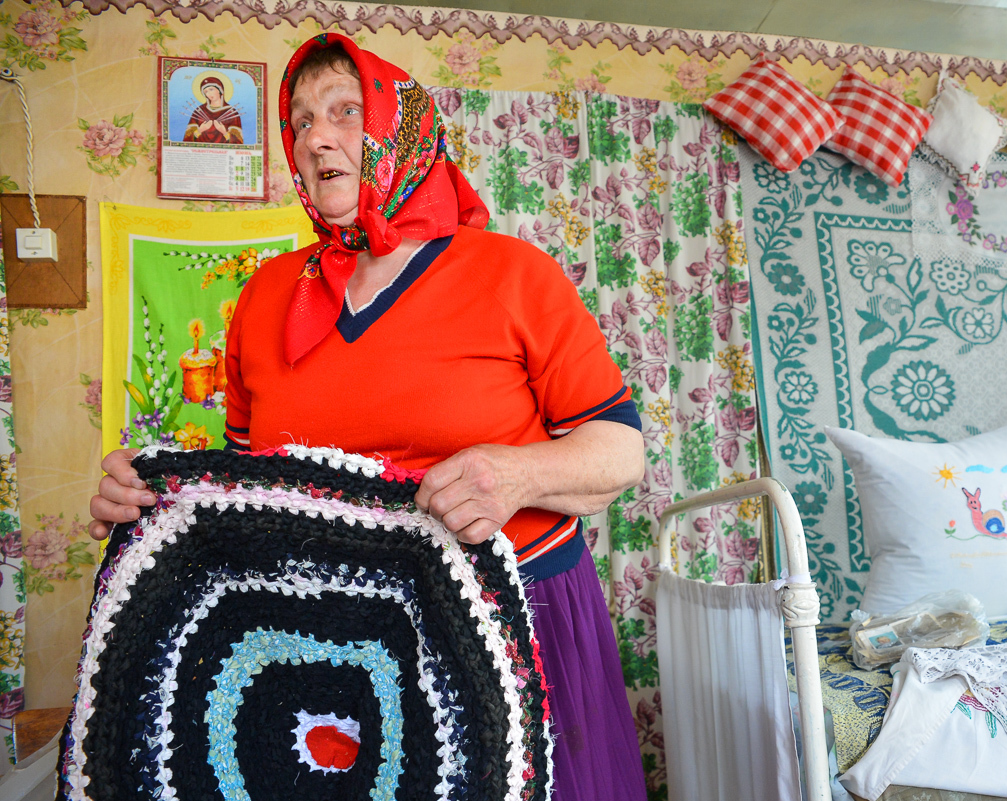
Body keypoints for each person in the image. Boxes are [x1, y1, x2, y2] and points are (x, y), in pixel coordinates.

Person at [89, 33, 649, 801]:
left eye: (345, 111)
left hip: (520, 618)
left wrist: (516, 474)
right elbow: (248, 491)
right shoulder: (264, 297)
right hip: (330, 643)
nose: (317, 137)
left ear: (400, 128)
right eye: (300, 121)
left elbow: (619, 453)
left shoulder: (514, 273)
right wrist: (150, 498)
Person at [184, 75, 244, 144]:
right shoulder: (199, 111)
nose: (209, 94)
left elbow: (238, 143)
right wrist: (200, 130)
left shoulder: (231, 112)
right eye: (206, 92)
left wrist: (224, 132)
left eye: (211, 89)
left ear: (220, 90)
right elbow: (187, 140)